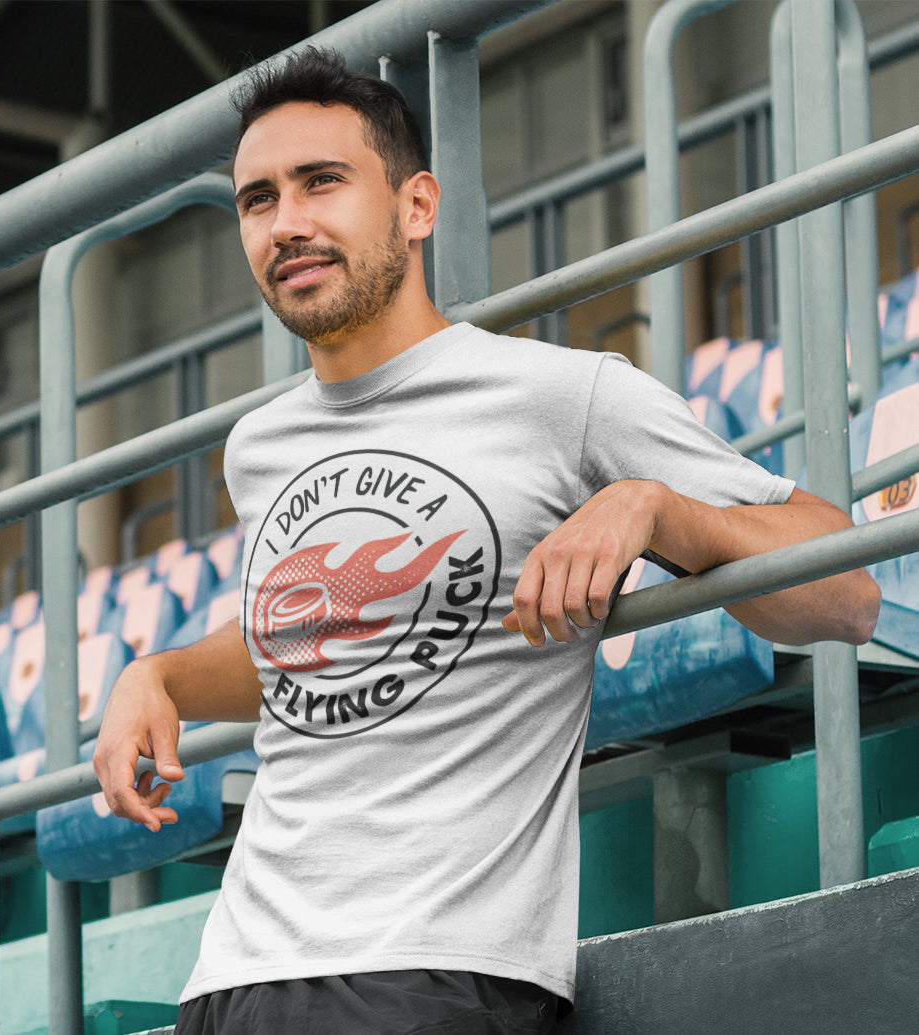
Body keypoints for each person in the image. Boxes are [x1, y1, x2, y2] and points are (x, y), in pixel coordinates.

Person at [93, 47, 880, 1035]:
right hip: (234, 977)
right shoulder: (261, 446)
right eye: (257, 199)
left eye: (322, 182)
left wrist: (659, 512)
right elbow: (305, 651)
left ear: (416, 205)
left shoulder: (561, 394)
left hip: (440, 971)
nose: (286, 222)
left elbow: (846, 591)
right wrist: (156, 677)